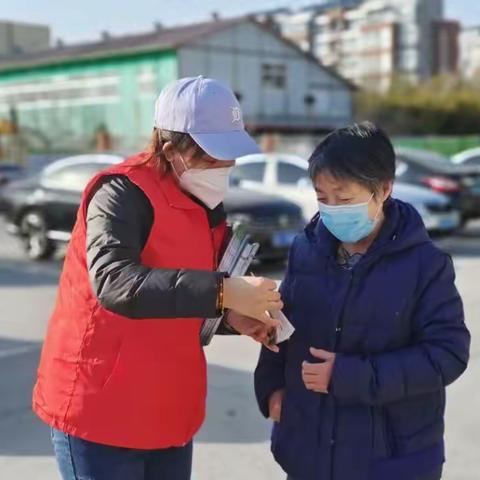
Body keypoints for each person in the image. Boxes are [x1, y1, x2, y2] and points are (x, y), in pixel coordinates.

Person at [33, 76, 283, 480]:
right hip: (101, 409)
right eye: (214, 156)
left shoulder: (205, 203)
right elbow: (117, 283)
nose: (226, 168)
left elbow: (187, 293)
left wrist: (233, 314)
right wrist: (223, 293)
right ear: (171, 149)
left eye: (230, 156)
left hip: (167, 406)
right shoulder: (121, 193)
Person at [254, 122, 470, 480]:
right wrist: (272, 386)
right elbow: (283, 325)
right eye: (323, 197)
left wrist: (351, 376)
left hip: (390, 457)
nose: (332, 209)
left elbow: (448, 354)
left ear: (383, 190)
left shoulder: (425, 265)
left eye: (345, 198)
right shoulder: (306, 250)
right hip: (308, 447)